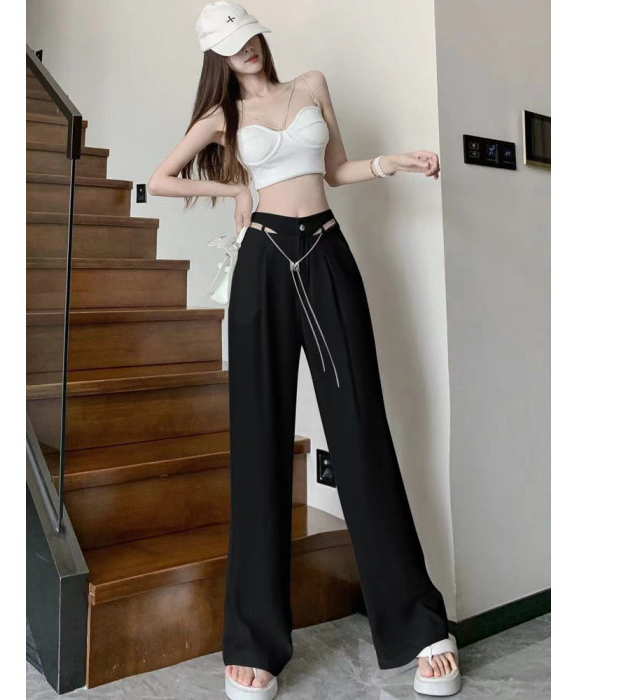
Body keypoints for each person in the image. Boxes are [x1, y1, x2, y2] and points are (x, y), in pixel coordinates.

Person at [148, 2, 462, 698]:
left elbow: (337, 169)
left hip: (325, 253)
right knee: (259, 443)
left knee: (361, 432)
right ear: (217, 56)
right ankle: (253, 641)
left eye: (250, 35)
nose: (247, 49)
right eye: (232, 44)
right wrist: (234, 186)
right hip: (263, 261)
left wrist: (392, 163)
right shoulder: (221, 117)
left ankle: (417, 624)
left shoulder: (311, 84)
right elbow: (160, 177)